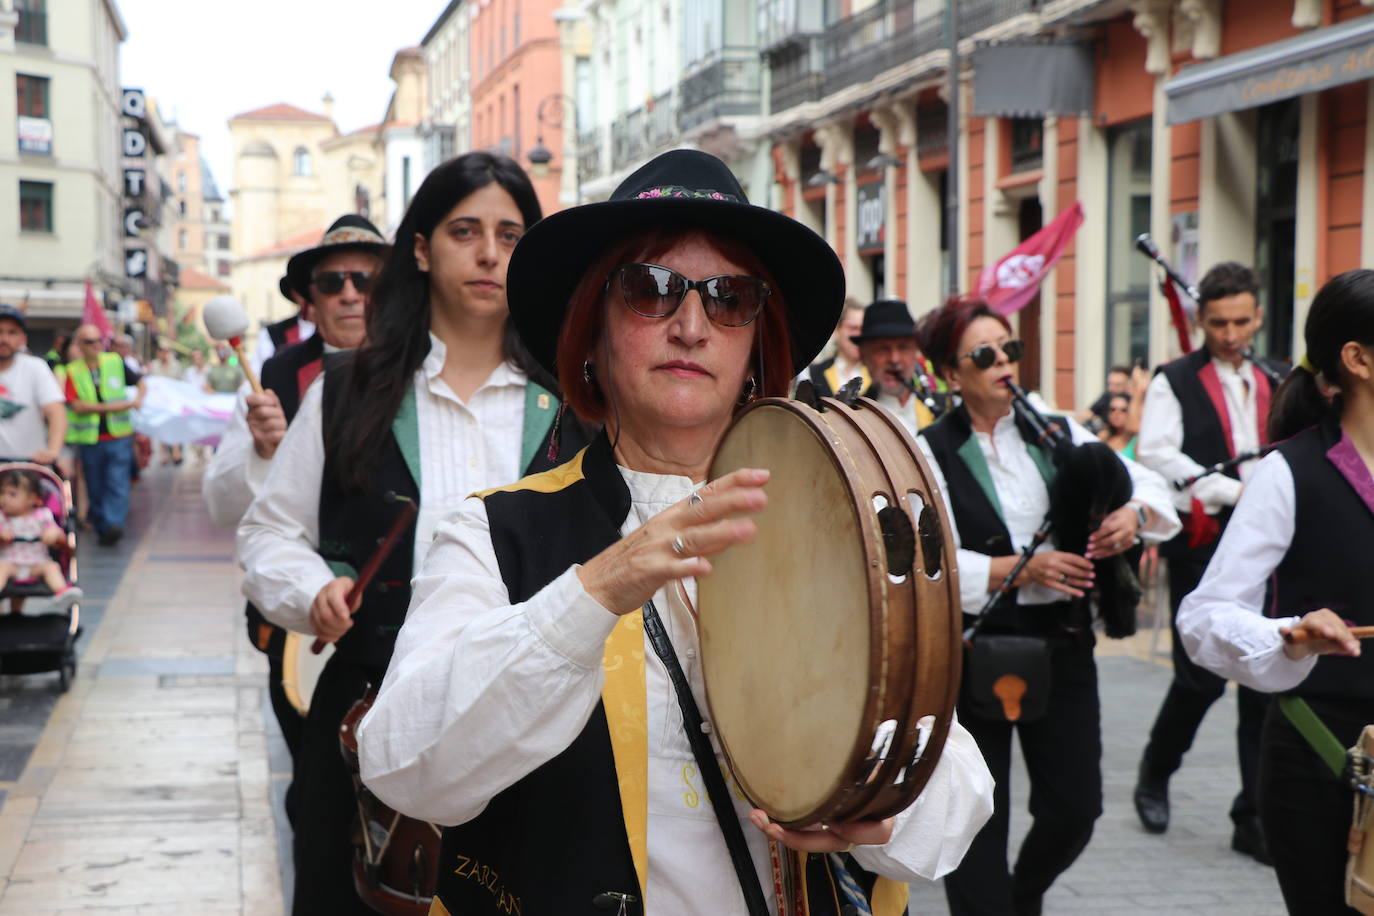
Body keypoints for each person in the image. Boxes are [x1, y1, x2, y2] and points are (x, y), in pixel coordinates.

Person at [356, 149, 994, 915]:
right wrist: (598, 590)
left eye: (729, 298)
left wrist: (877, 817)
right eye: (650, 290)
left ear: (759, 344)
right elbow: (401, 763)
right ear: (590, 334)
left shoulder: (842, 520)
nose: (692, 325)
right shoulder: (495, 531)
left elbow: (957, 787)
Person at [238, 153, 586, 915]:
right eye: (466, 231)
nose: (490, 253)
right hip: (365, 709)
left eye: (510, 234)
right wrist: (313, 590)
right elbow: (269, 534)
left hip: (536, 728)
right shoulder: (345, 392)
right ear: (423, 250)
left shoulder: (571, 404)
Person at [914, 295, 1178, 916]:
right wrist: (1020, 567)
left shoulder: (1059, 429)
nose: (1004, 362)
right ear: (953, 374)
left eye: (1011, 348)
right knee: (978, 811)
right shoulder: (928, 451)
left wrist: (1129, 516)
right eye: (985, 354)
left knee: (1076, 807)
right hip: (976, 643)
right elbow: (926, 562)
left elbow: (1150, 487)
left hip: (1062, 639)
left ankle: (1023, 893)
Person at [1176, 268, 1374, 914]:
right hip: (1323, 760)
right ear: (1358, 358)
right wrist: (1286, 636)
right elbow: (1202, 618)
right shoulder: (1288, 474)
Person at [204, 212, 387, 827]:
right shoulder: (273, 382)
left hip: (398, 625)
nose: (350, 294)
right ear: (308, 300)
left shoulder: (427, 375)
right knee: (317, 782)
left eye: (366, 280)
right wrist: (260, 450)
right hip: (301, 623)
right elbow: (223, 507)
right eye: (333, 282)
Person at [1132, 261, 1288, 862]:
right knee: (1199, 678)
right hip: (1205, 536)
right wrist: (1231, 492)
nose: (1229, 333)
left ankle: (1252, 816)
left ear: (1258, 317)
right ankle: (1156, 767)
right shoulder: (1176, 379)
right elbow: (1156, 453)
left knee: (1263, 675)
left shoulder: (1277, 373)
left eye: (1240, 321)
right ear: (1202, 318)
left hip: (1272, 541)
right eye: (1218, 322)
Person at [62, 325, 144, 546]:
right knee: (95, 486)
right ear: (79, 345)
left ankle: (112, 524)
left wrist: (137, 400)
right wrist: (116, 406)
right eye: (90, 341)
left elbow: (140, 382)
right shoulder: (73, 370)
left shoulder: (115, 362)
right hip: (91, 440)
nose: (97, 345)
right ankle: (101, 524)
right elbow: (78, 405)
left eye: (100, 340)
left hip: (119, 436)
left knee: (118, 483)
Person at [854, 298, 944, 437]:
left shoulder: (942, 408)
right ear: (863, 355)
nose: (894, 359)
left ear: (916, 352)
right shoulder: (853, 417)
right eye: (882, 349)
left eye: (903, 348)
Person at [0, 468, 80, 608]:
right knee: (1, 568)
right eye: (2, 493)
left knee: (52, 567)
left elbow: (58, 534)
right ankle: (14, 612)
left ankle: (62, 593)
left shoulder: (43, 516)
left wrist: (53, 533)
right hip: (9, 563)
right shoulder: (2, 518)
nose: (4, 498)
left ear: (32, 498)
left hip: (37, 564)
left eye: (12, 494)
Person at [0, 304, 66, 465]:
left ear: (23, 338)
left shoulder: (35, 367)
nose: (4, 339)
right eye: (0, 331)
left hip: (29, 468)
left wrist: (53, 451)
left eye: (12, 332)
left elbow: (56, 412)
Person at [804, 298, 870, 395]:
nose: (859, 335)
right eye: (853, 328)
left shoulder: (877, 374)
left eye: (863, 329)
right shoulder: (812, 374)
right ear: (837, 329)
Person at [251, 276, 315, 374]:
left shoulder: (339, 330)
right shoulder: (273, 334)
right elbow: (257, 375)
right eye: (303, 290)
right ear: (294, 293)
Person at [1098, 366, 1148, 459]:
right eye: (1113, 409)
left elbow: (1133, 427)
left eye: (1123, 410)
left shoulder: (1137, 440)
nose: (1116, 413)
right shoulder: (1103, 437)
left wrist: (1138, 389)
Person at [147, 345, 184, 465]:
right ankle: (164, 453)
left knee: (175, 426)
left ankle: (176, 451)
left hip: (173, 401)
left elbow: (180, 382)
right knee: (162, 426)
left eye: (165, 351)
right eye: (161, 351)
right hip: (160, 402)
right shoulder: (154, 365)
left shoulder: (176, 365)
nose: (163, 354)